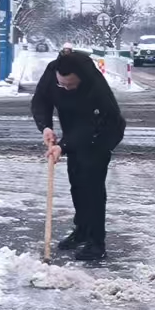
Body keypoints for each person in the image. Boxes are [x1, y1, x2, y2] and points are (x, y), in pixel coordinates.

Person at [30, 47, 126, 261]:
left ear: (81, 79)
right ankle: (81, 230)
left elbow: (89, 126)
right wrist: (45, 126)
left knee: (91, 184)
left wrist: (62, 146)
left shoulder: (95, 86)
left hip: (101, 132)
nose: (66, 88)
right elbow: (40, 100)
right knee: (77, 180)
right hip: (73, 129)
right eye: (61, 85)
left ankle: (96, 242)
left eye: (71, 85)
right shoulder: (52, 71)